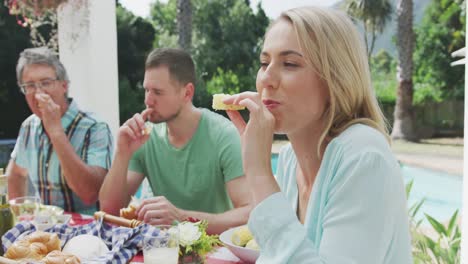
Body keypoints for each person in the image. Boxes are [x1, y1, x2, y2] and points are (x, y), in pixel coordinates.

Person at [223, 6, 413, 263]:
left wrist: (258, 172)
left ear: (336, 78)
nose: (266, 79)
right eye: (264, 63)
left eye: (289, 64)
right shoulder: (291, 160)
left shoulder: (363, 157)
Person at [99, 48, 251, 234]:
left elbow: (249, 214)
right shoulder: (145, 138)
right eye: (146, 90)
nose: (148, 100)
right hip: (163, 250)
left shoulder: (224, 135)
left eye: (158, 92)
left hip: (217, 252)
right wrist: (122, 153)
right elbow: (108, 211)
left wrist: (181, 217)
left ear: (187, 93)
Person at [7, 47, 113, 215]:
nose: (38, 93)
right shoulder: (29, 126)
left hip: (88, 234)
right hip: (46, 232)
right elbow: (16, 174)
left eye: (46, 83)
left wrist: (56, 131)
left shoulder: (95, 127)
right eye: (30, 85)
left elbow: (90, 194)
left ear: (64, 85)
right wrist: (18, 218)